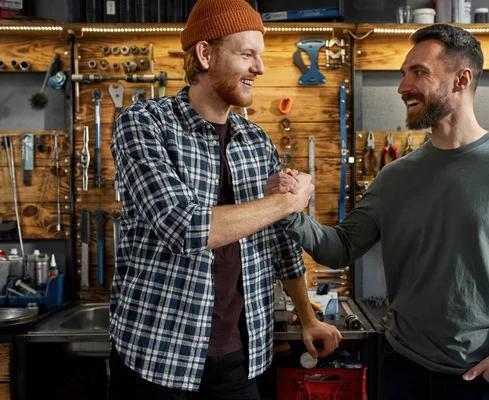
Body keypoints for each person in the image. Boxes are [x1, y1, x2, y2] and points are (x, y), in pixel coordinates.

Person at [266, 24, 489, 399]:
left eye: (419, 73)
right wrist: (289, 210)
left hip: (482, 378)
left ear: (462, 79)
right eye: (403, 74)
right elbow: (340, 248)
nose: (402, 87)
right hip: (402, 371)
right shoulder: (395, 175)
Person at [108, 1, 342, 399]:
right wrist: (287, 203)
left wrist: (307, 318)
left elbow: (281, 243)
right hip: (159, 356)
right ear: (205, 54)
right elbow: (183, 227)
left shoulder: (256, 142)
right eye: (247, 54)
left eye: (260, 56)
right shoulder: (144, 123)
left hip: (240, 356)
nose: (260, 68)